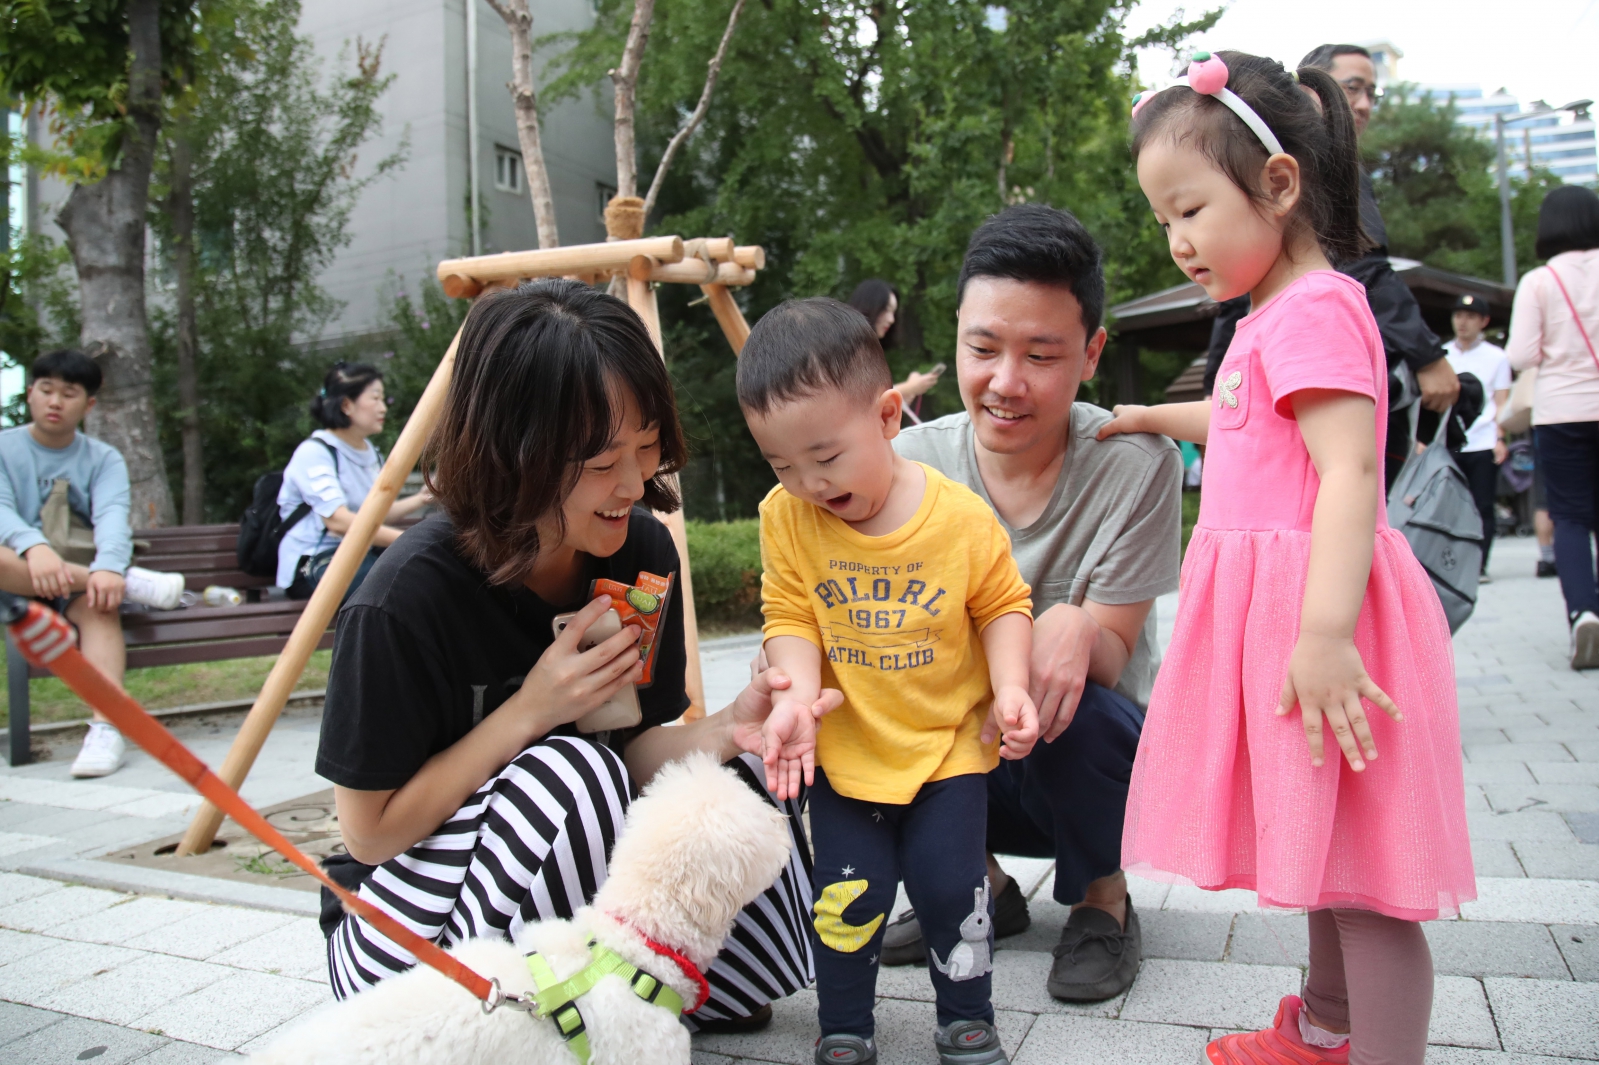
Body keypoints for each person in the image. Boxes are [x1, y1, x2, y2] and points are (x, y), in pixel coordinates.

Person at [314, 280, 840, 1037]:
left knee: (752, 770)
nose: (633, 484)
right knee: (570, 770)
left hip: (561, 880)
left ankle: (663, 990)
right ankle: (592, 1009)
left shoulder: (640, 554)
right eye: (600, 461)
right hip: (401, 937)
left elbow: (635, 754)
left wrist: (733, 726)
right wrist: (531, 710)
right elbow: (367, 834)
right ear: (512, 452)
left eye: (646, 446)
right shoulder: (407, 598)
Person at [1109, 51, 1473, 1065]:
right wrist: (1143, 412)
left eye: (1190, 210)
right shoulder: (1273, 313)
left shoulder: (1315, 307)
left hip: (1327, 624)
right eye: (1163, 221)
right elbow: (1241, 425)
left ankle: (1376, 1050)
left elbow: (1351, 471)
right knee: (1321, 848)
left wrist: (1321, 636)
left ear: (1277, 184)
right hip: (1290, 622)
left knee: (1366, 876)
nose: (1179, 241)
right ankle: (1326, 1029)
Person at [885, 202, 1184, 1004]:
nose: (1004, 383)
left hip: (1084, 764)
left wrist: (1071, 621)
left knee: (1074, 689)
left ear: (1089, 354)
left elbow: (1115, 654)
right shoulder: (909, 465)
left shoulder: (1135, 462)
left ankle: (1102, 902)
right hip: (961, 762)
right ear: (955, 335)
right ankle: (978, 885)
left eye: (1041, 355)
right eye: (982, 348)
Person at [738, 298, 1038, 1065]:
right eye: (781, 464)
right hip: (843, 754)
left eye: (825, 457)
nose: (806, 481)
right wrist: (798, 695)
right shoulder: (786, 517)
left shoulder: (960, 519)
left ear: (887, 413)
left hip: (945, 751)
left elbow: (1003, 603)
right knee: (846, 900)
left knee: (951, 890)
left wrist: (1010, 686)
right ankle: (843, 1024)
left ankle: (966, 1015)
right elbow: (788, 611)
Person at [1202, 43, 1461, 492]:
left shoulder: (1268, 171)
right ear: (1308, 95)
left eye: (1371, 94)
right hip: (1315, 373)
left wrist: (1216, 383)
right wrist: (1428, 356)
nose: (1361, 105)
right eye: (1352, 89)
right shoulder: (1322, 172)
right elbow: (1366, 268)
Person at [0, 350, 189, 778]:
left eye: (68, 394)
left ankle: (106, 727)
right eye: (46, 390)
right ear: (30, 394)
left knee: (101, 603)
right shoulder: (4, 448)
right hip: (15, 574)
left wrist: (106, 568)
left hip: (80, 580)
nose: (55, 401)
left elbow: (111, 518)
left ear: (88, 406)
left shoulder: (103, 458)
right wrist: (35, 547)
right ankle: (128, 580)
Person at [1506, 184, 1599, 670]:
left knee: (1569, 516)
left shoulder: (1540, 282)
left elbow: (1521, 355)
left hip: (1562, 411)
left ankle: (1584, 613)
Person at [276, 362, 431, 601]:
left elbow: (373, 515)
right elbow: (337, 522)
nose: (383, 408)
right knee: (408, 588)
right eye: (375, 398)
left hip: (358, 558)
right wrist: (406, 541)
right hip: (317, 563)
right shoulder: (315, 452)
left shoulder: (372, 453)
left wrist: (421, 499)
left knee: (428, 578)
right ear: (347, 405)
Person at [1442, 294, 1511, 582]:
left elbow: (1502, 399)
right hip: (1448, 441)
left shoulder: (1497, 357)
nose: (1463, 322)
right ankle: (1448, 563)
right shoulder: (1442, 354)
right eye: (1459, 315)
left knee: (1483, 504)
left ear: (1484, 322)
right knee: (1448, 505)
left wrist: (1500, 437)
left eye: (1470, 316)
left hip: (1482, 441)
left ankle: (1480, 564)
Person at [847, 279, 944, 406]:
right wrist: (909, 388)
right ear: (869, 306)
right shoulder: (848, 348)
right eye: (886, 309)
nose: (891, 319)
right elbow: (860, 399)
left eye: (893, 312)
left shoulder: (869, 350)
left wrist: (903, 395)